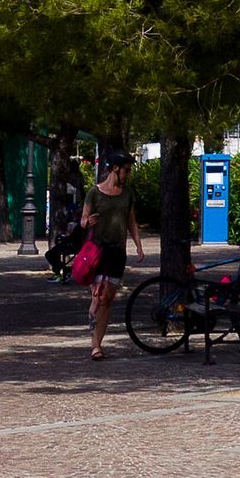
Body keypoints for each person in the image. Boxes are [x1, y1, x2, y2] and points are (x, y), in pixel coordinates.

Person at [83, 147, 143, 359]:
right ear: (115, 169)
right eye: (126, 170)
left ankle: (99, 342)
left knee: (108, 298)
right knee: (98, 297)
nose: (128, 174)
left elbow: (131, 221)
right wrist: (87, 222)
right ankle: (95, 346)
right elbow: (83, 220)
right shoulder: (95, 192)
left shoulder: (127, 194)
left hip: (118, 252)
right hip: (97, 252)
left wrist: (138, 245)